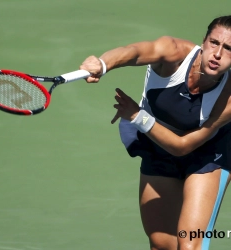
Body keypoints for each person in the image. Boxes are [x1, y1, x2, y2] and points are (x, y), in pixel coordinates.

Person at [80, 15, 231, 250]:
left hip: (208, 154)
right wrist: (103, 64)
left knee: (190, 245)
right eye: (214, 43)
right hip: (157, 146)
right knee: (162, 245)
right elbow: (134, 52)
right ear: (204, 41)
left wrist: (137, 116)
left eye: (229, 48)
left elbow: (182, 147)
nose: (218, 54)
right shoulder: (174, 53)